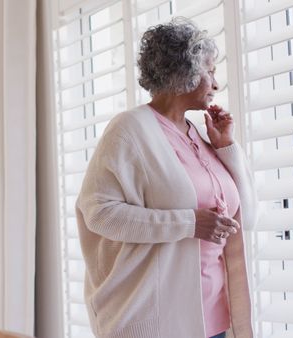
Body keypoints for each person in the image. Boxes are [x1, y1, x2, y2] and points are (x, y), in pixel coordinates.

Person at [76, 17, 257, 338]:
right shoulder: (129, 130)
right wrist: (188, 223)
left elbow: (247, 219)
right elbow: (100, 214)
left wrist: (226, 146)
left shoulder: (201, 134)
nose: (216, 84)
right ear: (182, 72)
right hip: (161, 321)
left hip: (216, 318)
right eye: (210, 71)